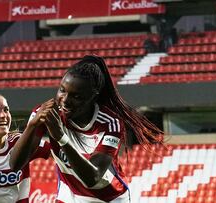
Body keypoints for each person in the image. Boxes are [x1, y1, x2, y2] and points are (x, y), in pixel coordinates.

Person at [11, 55, 164, 202]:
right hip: (70, 195)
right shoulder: (46, 113)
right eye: (62, 90)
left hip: (107, 198)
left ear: (93, 96)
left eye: (76, 96)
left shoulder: (110, 123)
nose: (65, 101)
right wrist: (32, 126)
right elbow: (15, 165)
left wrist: (61, 138)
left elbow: (93, 178)